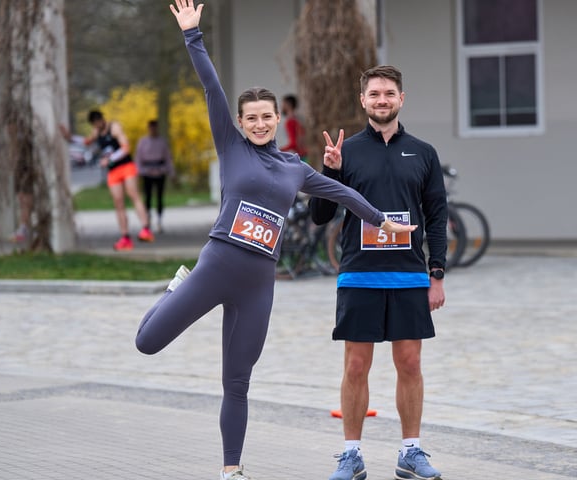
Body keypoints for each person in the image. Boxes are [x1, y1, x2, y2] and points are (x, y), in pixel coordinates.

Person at [135, 3, 416, 479]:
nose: (261, 124)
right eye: (253, 118)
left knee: (238, 382)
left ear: (276, 120)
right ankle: (173, 289)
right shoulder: (230, 144)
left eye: (268, 117)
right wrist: (192, 34)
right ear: (241, 123)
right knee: (147, 343)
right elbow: (211, 86)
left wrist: (382, 223)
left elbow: (344, 192)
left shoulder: (294, 168)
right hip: (216, 266)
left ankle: (231, 470)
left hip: (258, 282)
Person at [309, 65, 448, 480]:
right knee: (355, 366)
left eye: (389, 93)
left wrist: (436, 273)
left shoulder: (423, 152)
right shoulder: (346, 151)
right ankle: (351, 455)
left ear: (401, 99)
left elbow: (437, 215)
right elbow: (320, 216)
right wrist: (330, 170)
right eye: (374, 94)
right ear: (363, 101)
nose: (382, 100)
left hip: (408, 276)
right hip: (359, 274)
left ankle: (411, 451)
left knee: (409, 364)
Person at [61, 111, 155, 250]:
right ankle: (125, 237)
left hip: (126, 166)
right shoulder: (96, 131)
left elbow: (126, 148)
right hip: (113, 171)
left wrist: (110, 159)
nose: (97, 126)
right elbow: (87, 141)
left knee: (133, 194)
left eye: (97, 123)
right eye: (94, 124)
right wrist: (70, 138)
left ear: (101, 119)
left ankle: (146, 229)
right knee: (118, 202)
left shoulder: (114, 127)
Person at [135, 119, 175, 233]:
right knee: (147, 197)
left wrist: (171, 172)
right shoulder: (143, 142)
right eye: (151, 128)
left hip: (159, 171)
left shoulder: (162, 142)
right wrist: (139, 172)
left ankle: (159, 220)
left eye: (155, 128)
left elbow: (168, 158)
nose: (153, 130)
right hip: (147, 172)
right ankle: (147, 219)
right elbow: (138, 158)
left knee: (159, 197)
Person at [279, 94, 307, 162]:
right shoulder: (299, 120)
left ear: (288, 105)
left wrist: (278, 150)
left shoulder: (290, 122)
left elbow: (293, 144)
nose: (281, 107)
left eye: (283, 104)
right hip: (304, 154)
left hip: (300, 156)